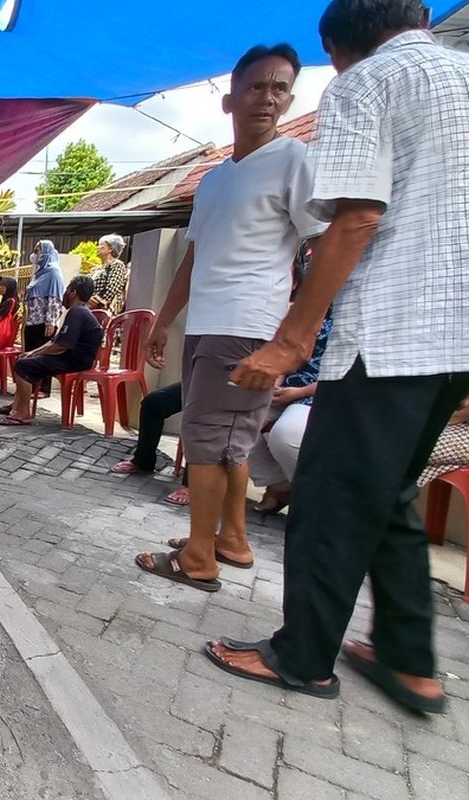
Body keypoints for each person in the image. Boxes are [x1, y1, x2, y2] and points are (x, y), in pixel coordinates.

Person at [206, 1, 469, 714]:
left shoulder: (368, 83)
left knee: (328, 493)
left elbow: (355, 216)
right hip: (457, 338)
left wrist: (293, 338)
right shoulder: (464, 75)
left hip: (392, 328)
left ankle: (302, 657)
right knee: (389, 494)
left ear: (335, 48)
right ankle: (408, 659)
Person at [135, 42, 328, 592]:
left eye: (280, 88)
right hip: (208, 323)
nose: (268, 98)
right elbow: (194, 257)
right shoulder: (217, 179)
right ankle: (232, 540)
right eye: (256, 86)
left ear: (290, 99)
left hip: (247, 324)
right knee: (231, 439)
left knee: (205, 438)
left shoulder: (293, 160)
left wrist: (296, 334)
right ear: (230, 99)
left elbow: (321, 246)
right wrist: (164, 321)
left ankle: (198, 558)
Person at [248, 311, 333, 513]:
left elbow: (347, 374)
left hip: (319, 394)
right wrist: (274, 383)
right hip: (285, 388)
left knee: (286, 435)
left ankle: (316, 500)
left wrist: (300, 392)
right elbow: (288, 353)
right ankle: (281, 486)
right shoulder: (311, 312)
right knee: (236, 425)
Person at [0, 276, 102, 426]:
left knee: (23, 366)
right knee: (23, 359)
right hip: (69, 357)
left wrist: (35, 354)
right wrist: (32, 353)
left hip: (75, 361)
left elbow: (61, 346)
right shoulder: (78, 311)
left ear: (73, 293)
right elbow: (55, 341)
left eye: (67, 290)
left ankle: (23, 413)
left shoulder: (78, 313)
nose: (64, 294)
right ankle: (16, 406)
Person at [110, 383, 191, 506]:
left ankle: (194, 485)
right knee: (153, 403)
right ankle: (143, 460)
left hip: (225, 388)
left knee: (200, 421)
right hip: (197, 380)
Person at [22, 240, 66, 398]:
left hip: (43, 322)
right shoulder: (39, 273)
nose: (35, 254)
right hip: (32, 321)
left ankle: (43, 388)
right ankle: (32, 386)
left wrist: (51, 321)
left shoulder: (53, 272)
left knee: (42, 354)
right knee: (31, 354)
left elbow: (54, 299)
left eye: (38, 251)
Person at [89, 235, 130, 316]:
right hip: (90, 308)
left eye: (102, 246)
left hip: (103, 311)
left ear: (110, 249)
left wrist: (98, 301)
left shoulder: (117, 265)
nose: (98, 247)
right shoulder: (96, 269)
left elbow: (113, 287)